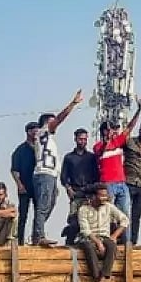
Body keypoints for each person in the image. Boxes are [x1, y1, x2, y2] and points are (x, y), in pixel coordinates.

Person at [31, 90, 84, 247]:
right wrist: (73, 104)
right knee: (43, 205)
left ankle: (37, 232)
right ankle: (38, 236)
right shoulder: (42, 133)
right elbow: (60, 118)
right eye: (51, 122)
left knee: (50, 204)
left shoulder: (49, 140)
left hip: (51, 175)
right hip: (44, 173)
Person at [93, 99, 141, 240]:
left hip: (121, 183)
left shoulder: (118, 142)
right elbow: (101, 150)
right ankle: (106, 240)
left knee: (125, 214)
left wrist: (139, 109)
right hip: (107, 183)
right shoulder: (97, 146)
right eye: (110, 129)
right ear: (104, 131)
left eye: (115, 129)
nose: (113, 131)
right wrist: (107, 140)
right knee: (107, 213)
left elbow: (130, 127)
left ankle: (126, 243)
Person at [76, 184, 128, 282]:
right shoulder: (83, 209)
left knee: (112, 246)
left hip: (105, 237)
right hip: (89, 238)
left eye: (106, 195)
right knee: (88, 246)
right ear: (94, 196)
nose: (105, 198)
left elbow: (125, 220)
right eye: (102, 196)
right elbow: (85, 231)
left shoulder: (109, 207)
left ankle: (104, 277)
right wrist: (98, 243)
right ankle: (97, 277)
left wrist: (114, 236)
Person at [60, 128, 100, 245]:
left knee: (89, 220)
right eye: (80, 139)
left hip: (89, 193)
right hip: (76, 193)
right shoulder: (69, 157)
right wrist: (68, 189)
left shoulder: (91, 157)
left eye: (85, 139)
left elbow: (96, 175)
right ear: (75, 139)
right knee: (74, 220)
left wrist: (94, 193)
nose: (82, 141)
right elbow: (64, 176)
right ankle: (69, 242)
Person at [11, 122, 39, 244]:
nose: (35, 133)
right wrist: (19, 184)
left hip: (38, 186)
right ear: (28, 132)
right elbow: (14, 170)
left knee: (39, 215)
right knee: (23, 215)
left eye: (37, 131)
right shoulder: (20, 150)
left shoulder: (41, 148)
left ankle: (36, 239)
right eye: (33, 130)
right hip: (24, 187)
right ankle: (20, 241)